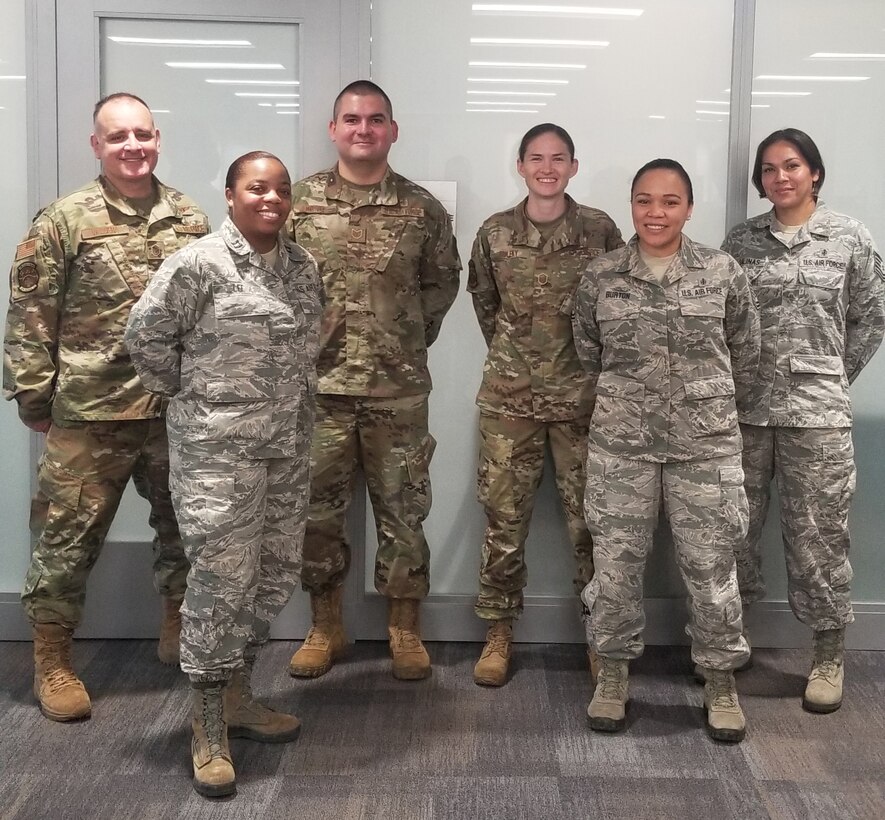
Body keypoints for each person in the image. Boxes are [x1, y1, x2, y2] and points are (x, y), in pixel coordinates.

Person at [2, 92, 209, 722]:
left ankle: (178, 622)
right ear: (98, 145)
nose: (133, 147)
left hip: (173, 410)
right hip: (90, 410)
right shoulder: (63, 220)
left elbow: (207, 316)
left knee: (187, 530)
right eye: (118, 137)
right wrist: (35, 395)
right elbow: (30, 314)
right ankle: (53, 658)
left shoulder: (189, 220)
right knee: (66, 540)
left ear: (157, 138)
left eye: (142, 135)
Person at [125, 152, 323, 798]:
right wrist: (190, 397)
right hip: (218, 457)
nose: (271, 198)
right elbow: (145, 339)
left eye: (281, 189)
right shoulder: (198, 264)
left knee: (270, 577)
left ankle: (239, 696)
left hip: (285, 450)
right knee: (219, 582)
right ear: (232, 195)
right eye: (256, 188)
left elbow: (307, 348)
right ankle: (206, 722)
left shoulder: (301, 268)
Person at [573, 159, 760, 743]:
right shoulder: (601, 276)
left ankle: (721, 677)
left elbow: (744, 353)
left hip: (704, 450)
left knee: (712, 569)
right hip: (622, 447)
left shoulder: (723, 272)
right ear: (631, 205)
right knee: (616, 569)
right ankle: (613, 674)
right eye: (645, 201)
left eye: (670, 201)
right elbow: (587, 351)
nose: (657, 213)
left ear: (689, 207)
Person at [285, 80, 461, 682]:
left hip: (398, 391)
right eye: (352, 120)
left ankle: (404, 629)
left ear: (392, 130)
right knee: (315, 515)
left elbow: (443, 282)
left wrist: (406, 338)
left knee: (405, 510)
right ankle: (324, 624)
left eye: (376, 119)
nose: (364, 129)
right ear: (334, 129)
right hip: (319, 392)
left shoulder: (420, 208)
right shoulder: (296, 203)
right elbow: (272, 285)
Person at [722, 128, 885, 714]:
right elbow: (725, 322)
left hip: (817, 419)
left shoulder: (849, 238)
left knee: (819, 538)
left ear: (814, 172)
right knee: (732, 530)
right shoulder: (742, 241)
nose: (780, 177)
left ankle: (827, 652)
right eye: (768, 169)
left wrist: (833, 377)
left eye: (791, 166)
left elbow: (871, 316)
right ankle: (725, 642)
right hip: (744, 414)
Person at [468, 123, 623, 687]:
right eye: (536, 158)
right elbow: (486, 304)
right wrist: (518, 362)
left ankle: (600, 637)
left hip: (584, 402)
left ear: (574, 166)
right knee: (505, 523)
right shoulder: (494, 233)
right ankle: (499, 630)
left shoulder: (601, 230)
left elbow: (618, 305)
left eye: (558, 159)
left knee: (592, 525)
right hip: (511, 404)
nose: (547, 168)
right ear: (520, 166)